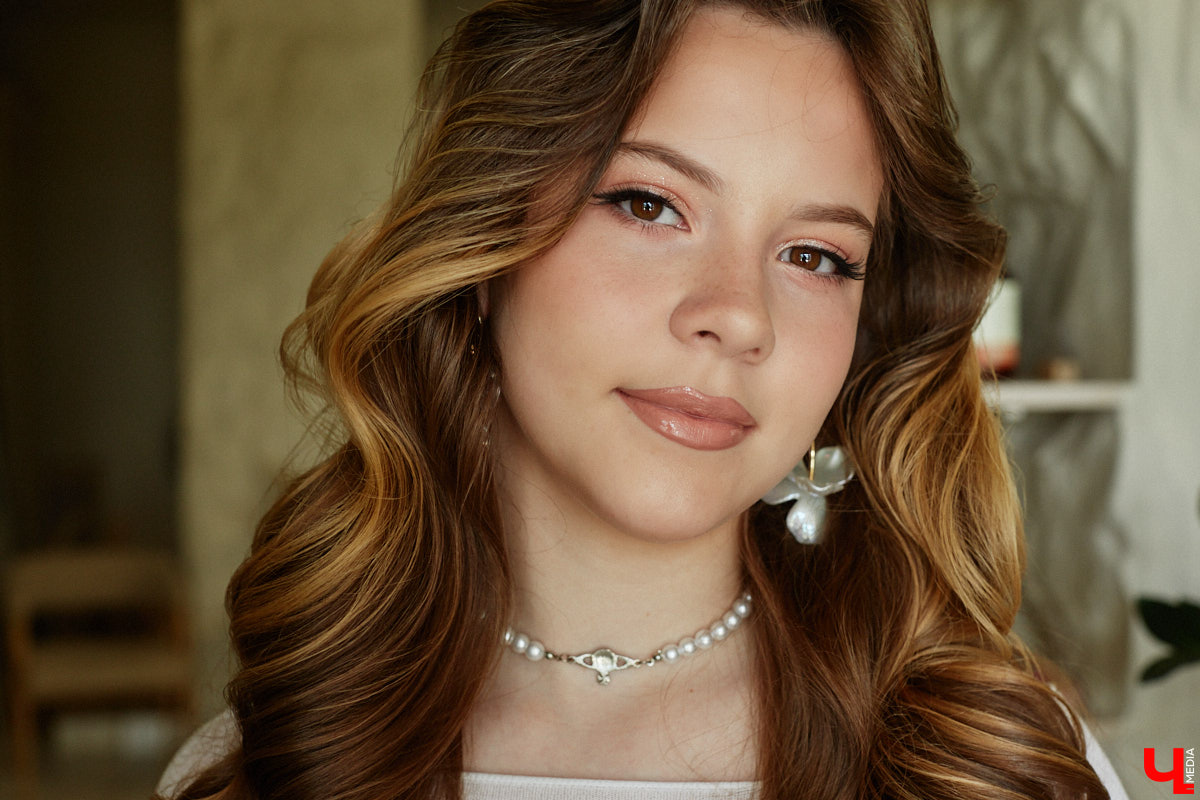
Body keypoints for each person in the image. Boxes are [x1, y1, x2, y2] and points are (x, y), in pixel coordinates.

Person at [159, 1, 1130, 798]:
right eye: (649, 204)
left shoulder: (991, 765)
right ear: (487, 246)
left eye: (815, 255)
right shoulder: (266, 764)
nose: (737, 316)